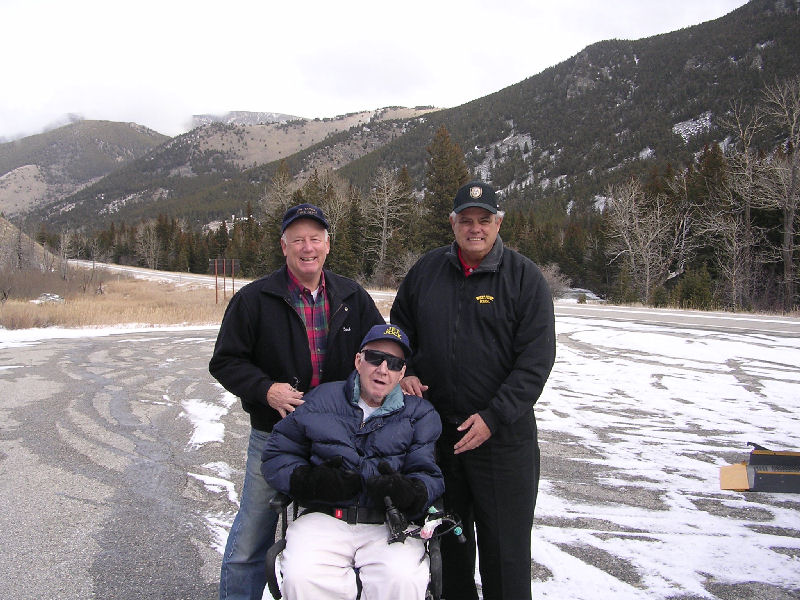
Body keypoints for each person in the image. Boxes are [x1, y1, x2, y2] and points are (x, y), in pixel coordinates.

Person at [209, 203, 385, 600]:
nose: (308, 248)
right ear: (284, 246)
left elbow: (380, 350)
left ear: (328, 245)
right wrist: (265, 389)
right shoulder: (255, 299)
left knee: (338, 532)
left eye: (315, 239)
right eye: (298, 240)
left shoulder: (352, 296)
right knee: (253, 535)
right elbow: (225, 361)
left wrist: (402, 377)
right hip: (275, 435)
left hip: (338, 437)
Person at [390, 180, 556, 600]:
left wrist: (494, 416)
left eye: (484, 220)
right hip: (439, 439)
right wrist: (402, 369)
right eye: (466, 220)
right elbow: (398, 331)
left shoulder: (524, 279)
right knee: (448, 550)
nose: (475, 228)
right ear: (453, 223)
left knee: (507, 555)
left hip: (503, 441)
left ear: (499, 222)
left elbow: (535, 362)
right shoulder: (426, 272)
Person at [261, 323, 444, 600]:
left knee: (402, 578)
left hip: (388, 524)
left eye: (394, 364)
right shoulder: (321, 399)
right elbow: (277, 455)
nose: (383, 369)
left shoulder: (421, 414)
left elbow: (429, 474)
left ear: (402, 373)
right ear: (359, 360)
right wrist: (308, 481)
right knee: (302, 575)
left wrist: (409, 492)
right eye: (374, 358)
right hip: (325, 518)